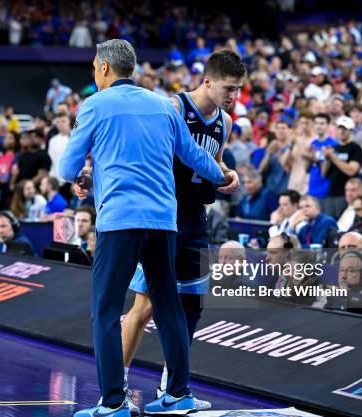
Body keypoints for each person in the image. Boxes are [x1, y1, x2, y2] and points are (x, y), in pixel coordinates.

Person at [59, 40, 231, 417]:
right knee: (169, 306)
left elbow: (67, 168)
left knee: (105, 311)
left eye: (93, 67)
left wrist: (84, 176)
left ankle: (113, 403)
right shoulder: (162, 104)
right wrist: (224, 175)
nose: (93, 73)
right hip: (163, 223)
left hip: (120, 221)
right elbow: (194, 155)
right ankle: (178, 394)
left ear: (104, 69)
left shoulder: (94, 105)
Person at [121, 49, 243, 412]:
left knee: (191, 305)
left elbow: (215, 162)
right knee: (144, 308)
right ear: (207, 81)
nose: (233, 96)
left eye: (238, 90)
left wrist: (228, 175)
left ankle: (171, 390)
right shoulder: (173, 109)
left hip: (194, 218)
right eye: (228, 88)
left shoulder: (225, 121)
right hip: (163, 217)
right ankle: (115, 389)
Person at [322, 116, 362, 219]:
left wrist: (332, 157)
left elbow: (351, 170)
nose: (342, 131)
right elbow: (323, 173)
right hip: (331, 192)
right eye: (340, 128)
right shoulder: (333, 148)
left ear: (351, 130)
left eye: (345, 129)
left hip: (346, 194)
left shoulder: (355, 148)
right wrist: (327, 159)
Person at [307, 113, 337, 199]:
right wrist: (309, 158)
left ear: (328, 125)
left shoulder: (333, 144)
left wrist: (318, 159)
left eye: (322, 123)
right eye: (316, 123)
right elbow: (308, 169)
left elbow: (329, 169)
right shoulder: (313, 143)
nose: (318, 126)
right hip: (312, 188)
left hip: (325, 189)